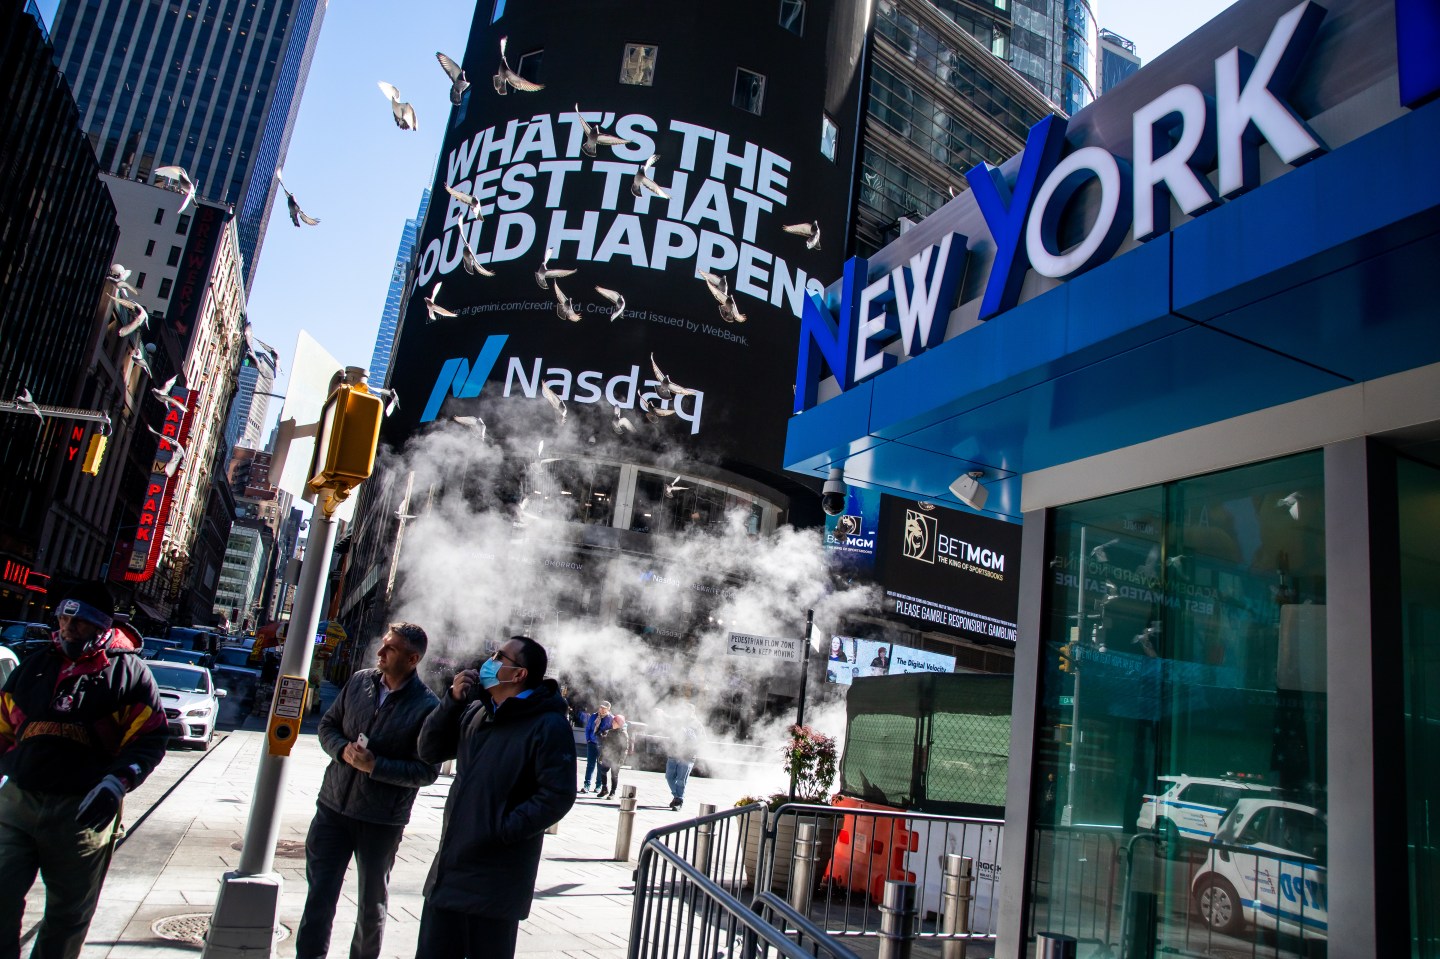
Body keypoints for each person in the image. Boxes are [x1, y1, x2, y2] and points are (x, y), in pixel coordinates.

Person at [0, 581, 168, 959]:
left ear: (101, 626)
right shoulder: (34, 666)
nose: (67, 629)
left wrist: (117, 782)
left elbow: (150, 738)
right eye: (63, 619)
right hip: (18, 803)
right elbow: (3, 726)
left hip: (83, 813)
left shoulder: (130, 674)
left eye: (79, 623)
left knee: (67, 917)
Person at [415, 635, 576, 958]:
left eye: (500, 656)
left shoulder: (547, 724)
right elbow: (428, 750)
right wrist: (452, 702)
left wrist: (501, 829)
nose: (490, 661)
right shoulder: (476, 711)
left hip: (495, 885)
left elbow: (557, 795)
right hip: (449, 873)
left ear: (519, 674)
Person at [295, 623, 441, 959]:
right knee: (319, 897)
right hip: (332, 807)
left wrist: (375, 766)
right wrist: (342, 750)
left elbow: (426, 771)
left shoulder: (426, 706)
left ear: (412, 658)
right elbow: (327, 725)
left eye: (390, 648)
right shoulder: (360, 681)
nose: (380, 652)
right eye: (383, 644)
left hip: (380, 820)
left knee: (370, 905)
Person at [665, 703, 701, 811]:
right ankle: (676, 796)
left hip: (687, 756)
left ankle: (679, 800)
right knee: (669, 776)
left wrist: (692, 749)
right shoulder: (678, 720)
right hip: (674, 753)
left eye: (688, 711)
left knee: (681, 779)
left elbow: (702, 740)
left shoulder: (697, 724)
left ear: (692, 712)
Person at [595, 713, 630, 800]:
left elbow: (625, 748)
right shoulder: (610, 732)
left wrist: (622, 759)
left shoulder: (623, 734)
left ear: (619, 723)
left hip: (616, 757)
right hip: (608, 756)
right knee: (603, 771)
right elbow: (606, 744)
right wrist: (602, 755)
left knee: (614, 775)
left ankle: (612, 792)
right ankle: (604, 789)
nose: (612, 722)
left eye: (614, 721)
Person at [580, 700, 612, 793]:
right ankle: (586, 785)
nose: (601, 709)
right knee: (590, 765)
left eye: (604, 708)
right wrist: (588, 739)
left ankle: (598, 786)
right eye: (600, 707)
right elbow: (588, 728)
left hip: (602, 745)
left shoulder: (610, 718)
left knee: (600, 765)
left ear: (608, 709)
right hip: (592, 743)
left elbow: (611, 732)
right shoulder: (594, 716)